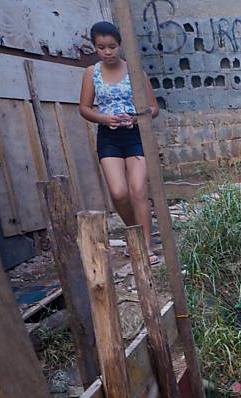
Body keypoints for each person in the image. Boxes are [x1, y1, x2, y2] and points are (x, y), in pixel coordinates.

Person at [79, 21, 160, 264]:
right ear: (95, 47)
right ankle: (133, 233)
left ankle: (145, 247)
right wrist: (104, 119)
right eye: (101, 47)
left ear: (120, 46)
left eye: (112, 46)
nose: (107, 52)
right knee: (119, 192)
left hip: (135, 136)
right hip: (109, 138)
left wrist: (139, 117)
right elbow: (84, 108)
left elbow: (154, 107)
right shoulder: (91, 73)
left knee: (138, 190)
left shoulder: (135, 72)